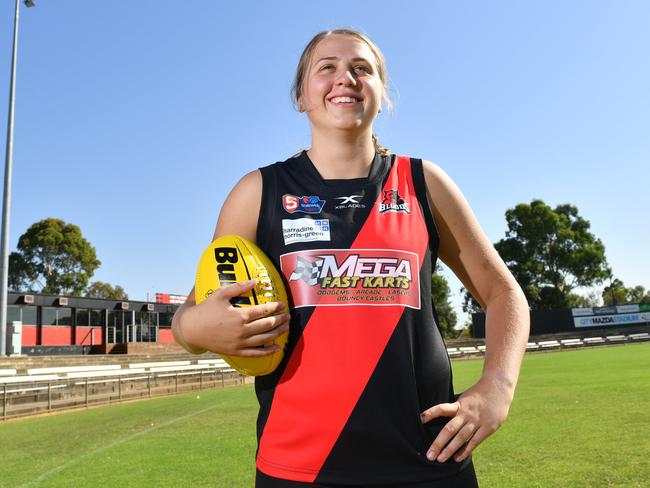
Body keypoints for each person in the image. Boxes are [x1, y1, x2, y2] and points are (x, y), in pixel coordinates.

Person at [172, 28, 530, 487]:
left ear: (382, 94)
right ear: (302, 95)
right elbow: (193, 311)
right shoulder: (257, 193)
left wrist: (498, 386)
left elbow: (503, 293)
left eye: (363, 69)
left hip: (430, 461)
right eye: (327, 68)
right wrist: (194, 329)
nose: (346, 78)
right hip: (299, 465)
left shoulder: (424, 182)